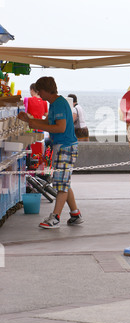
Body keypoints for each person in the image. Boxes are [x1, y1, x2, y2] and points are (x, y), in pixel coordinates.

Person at [18, 77, 83, 228]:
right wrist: (29, 121)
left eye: (40, 91)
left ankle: (55, 218)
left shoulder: (59, 104)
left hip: (65, 147)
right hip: (61, 146)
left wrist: (33, 123)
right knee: (64, 182)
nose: (39, 94)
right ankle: (75, 214)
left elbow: (60, 128)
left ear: (46, 90)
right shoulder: (54, 103)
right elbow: (48, 122)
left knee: (61, 185)